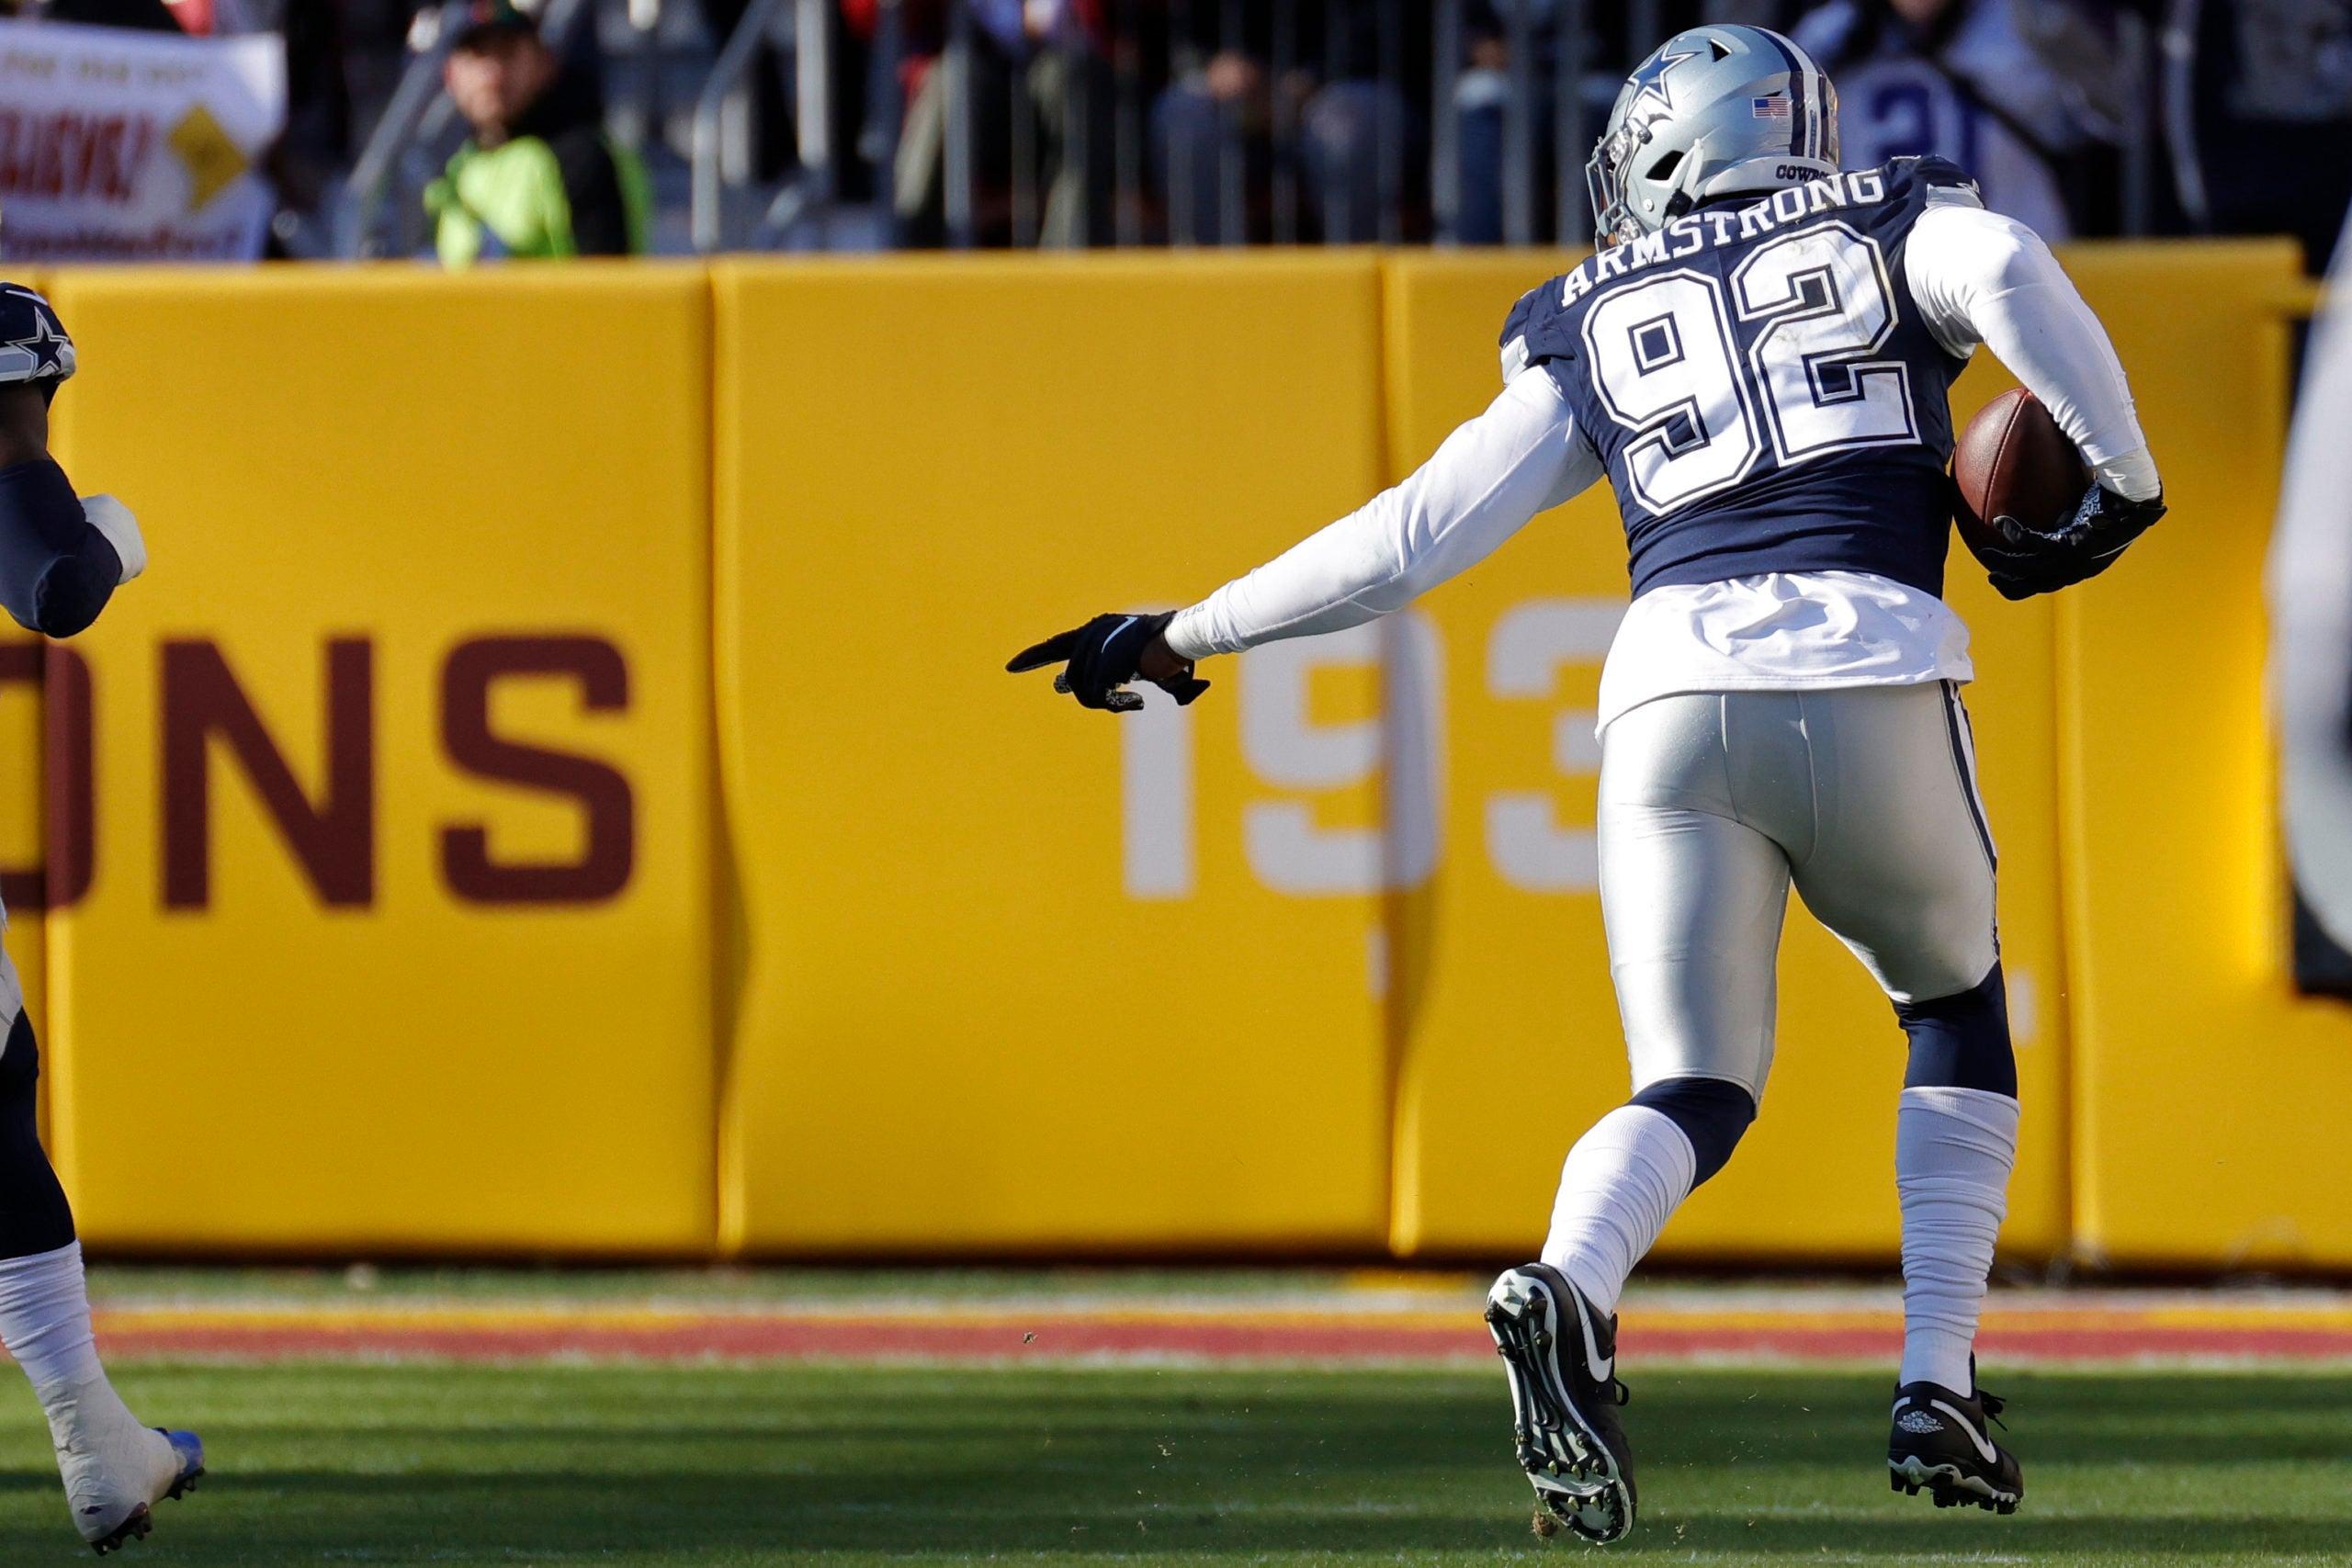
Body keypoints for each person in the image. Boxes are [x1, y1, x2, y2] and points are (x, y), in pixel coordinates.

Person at [1009, 23, 2165, 1543]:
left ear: (1668, 141)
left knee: (1693, 1081)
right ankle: (1933, 1375)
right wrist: (2124, 478)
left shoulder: (1588, 309)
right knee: (1952, 1006)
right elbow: (2011, 263)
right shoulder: (1896, 214)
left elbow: (1414, 531)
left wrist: (1180, 625)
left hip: (1667, 691)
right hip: (1869, 654)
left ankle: (1569, 1279)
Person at [0, 280, 204, 1553]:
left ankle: (104, 1441)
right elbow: (57, 591)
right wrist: (116, 534)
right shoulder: (10, 458)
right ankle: (94, 1438)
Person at [1794, 0, 2087, 238]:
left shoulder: (2026, 20)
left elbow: (2106, 123)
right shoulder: (1825, 36)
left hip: (2014, 247)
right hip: (1884, 268)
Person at [424, 0, 649, 267]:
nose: (491, 74)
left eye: (507, 53)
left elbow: (610, 291)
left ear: (544, 64)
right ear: (449, 75)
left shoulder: (582, 157)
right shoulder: (454, 168)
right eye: (476, 55)